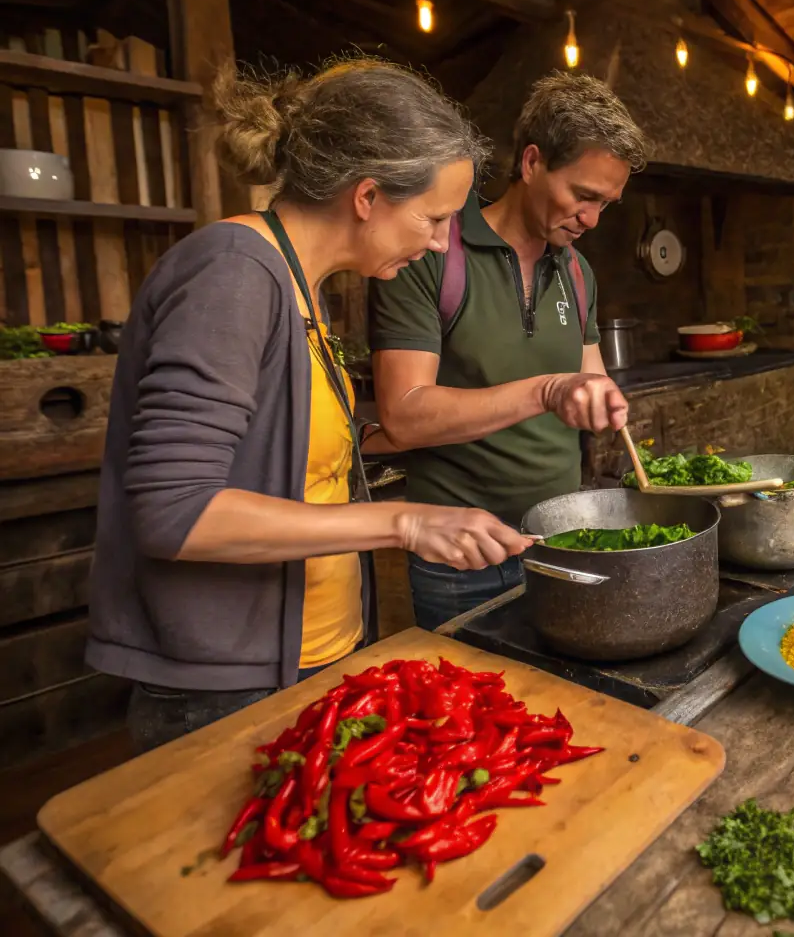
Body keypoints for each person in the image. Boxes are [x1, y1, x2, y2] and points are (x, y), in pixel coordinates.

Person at [86, 59, 532, 752]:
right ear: (367, 197)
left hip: (302, 656)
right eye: (434, 217)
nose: (441, 240)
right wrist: (404, 521)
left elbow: (284, 447)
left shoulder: (299, 284)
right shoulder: (233, 272)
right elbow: (174, 512)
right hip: (224, 685)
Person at [368, 72, 646, 630]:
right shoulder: (429, 253)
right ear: (532, 162)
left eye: (606, 204)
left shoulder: (578, 272)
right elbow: (403, 416)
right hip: (459, 556)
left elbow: (588, 384)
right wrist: (547, 391)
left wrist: (602, 401)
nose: (591, 219)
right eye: (583, 195)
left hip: (562, 543)